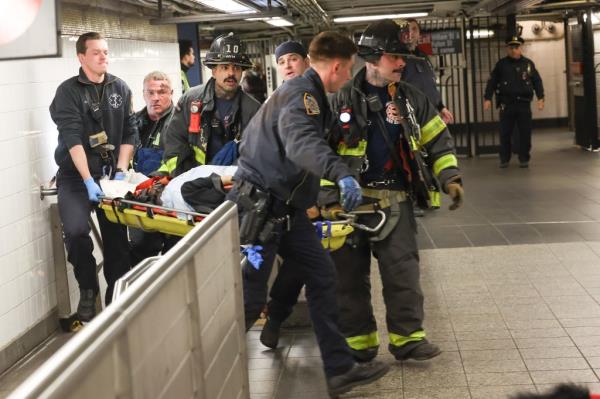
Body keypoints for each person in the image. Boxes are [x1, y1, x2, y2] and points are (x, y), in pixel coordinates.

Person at [229, 31, 389, 397]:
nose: (348, 77)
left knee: (321, 275)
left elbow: (308, 150)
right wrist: (341, 174)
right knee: (251, 297)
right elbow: (302, 144)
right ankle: (207, 371)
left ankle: (338, 369)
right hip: (261, 210)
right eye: (348, 70)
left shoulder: (313, 95)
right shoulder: (301, 96)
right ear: (336, 67)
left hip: (288, 210)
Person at [325, 19, 464, 363]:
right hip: (349, 206)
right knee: (347, 279)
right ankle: (359, 343)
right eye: (394, 57)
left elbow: (438, 142)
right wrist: (327, 198)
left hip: (396, 201)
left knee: (403, 274)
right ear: (373, 57)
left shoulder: (414, 99)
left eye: (402, 57)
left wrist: (450, 178)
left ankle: (408, 340)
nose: (402, 63)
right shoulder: (339, 99)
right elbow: (321, 154)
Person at [49, 32, 137, 321]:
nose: (103, 57)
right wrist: (87, 180)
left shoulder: (119, 88)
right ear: (81, 57)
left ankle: (117, 301)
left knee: (116, 243)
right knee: (75, 233)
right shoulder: (68, 92)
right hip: (77, 177)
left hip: (110, 174)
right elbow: (73, 139)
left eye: (106, 52)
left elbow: (128, 132)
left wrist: (122, 171)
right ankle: (88, 289)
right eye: (96, 52)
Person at [258, 40, 311, 349]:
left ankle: (275, 318)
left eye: (294, 59)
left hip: (296, 203)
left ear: (305, 63)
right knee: (255, 271)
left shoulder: (312, 100)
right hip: (268, 201)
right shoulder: (271, 104)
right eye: (282, 62)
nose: (288, 65)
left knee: (301, 264)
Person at [159, 32, 261, 177]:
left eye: (236, 68)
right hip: (191, 180)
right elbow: (174, 142)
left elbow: (255, 153)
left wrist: (230, 179)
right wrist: (183, 176)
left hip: (232, 182)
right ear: (214, 71)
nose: (231, 73)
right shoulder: (190, 100)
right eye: (225, 67)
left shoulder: (254, 109)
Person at [403, 18, 453, 211]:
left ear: (419, 33)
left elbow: (430, 85)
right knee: (412, 157)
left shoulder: (423, 57)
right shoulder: (397, 58)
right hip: (409, 114)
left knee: (431, 154)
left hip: (429, 113)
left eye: (414, 29)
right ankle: (414, 199)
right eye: (407, 30)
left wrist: (441, 106)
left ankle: (430, 197)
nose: (411, 33)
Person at [129, 71, 174, 265]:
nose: (156, 98)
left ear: (171, 93)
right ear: (143, 94)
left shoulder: (182, 122)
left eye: (162, 92)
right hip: (142, 199)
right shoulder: (134, 123)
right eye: (151, 92)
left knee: (175, 253)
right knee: (142, 254)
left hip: (172, 198)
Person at [484, 36, 544, 168]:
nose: (513, 50)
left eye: (516, 47)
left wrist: (541, 98)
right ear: (507, 49)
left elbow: (537, 81)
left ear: (520, 48)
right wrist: (487, 98)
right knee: (505, 133)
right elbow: (492, 82)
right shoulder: (501, 65)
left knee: (525, 133)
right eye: (511, 48)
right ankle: (504, 158)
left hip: (524, 104)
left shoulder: (528, 64)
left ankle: (524, 158)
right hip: (507, 104)